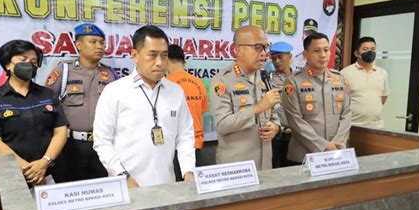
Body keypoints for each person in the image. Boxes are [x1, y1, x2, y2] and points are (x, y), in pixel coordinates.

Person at [93, 25, 195, 188]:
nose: (160, 63)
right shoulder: (115, 91)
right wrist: (123, 176)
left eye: (164, 55)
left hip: (167, 186)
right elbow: (102, 141)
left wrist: (188, 171)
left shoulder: (176, 92)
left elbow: (185, 136)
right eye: (152, 55)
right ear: (135, 55)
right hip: (126, 187)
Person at [0, 39, 68, 186]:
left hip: (50, 171)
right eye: (23, 59)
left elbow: (60, 131)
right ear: (8, 64)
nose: (29, 64)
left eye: (34, 61)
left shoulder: (48, 94)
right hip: (14, 175)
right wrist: (29, 170)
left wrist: (44, 163)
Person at [46, 23, 118, 182]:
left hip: (102, 146)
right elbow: (47, 106)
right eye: (93, 42)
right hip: (70, 146)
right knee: (70, 192)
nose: (99, 46)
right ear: (78, 44)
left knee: (103, 191)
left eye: (102, 43)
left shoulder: (110, 74)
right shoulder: (63, 71)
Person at [210, 25, 280, 170]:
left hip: (265, 166)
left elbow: (274, 115)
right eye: (257, 47)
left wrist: (276, 127)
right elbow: (222, 124)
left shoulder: (265, 78)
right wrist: (258, 108)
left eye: (266, 48)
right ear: (238, 50)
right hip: (236, 169)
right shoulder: (223, 80)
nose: (264, 54)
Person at [281, 32, 351, 164]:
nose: (323, 55)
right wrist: (323, 145)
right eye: (317, 51)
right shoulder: (293, 81)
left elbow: (346, 114)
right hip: (303, 156)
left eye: (326, 50)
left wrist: (337, 143)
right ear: (306, 54)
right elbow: (295, 120)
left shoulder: (339, 79)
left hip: (336, 153)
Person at [166, 44, 208, 180]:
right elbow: (202, 112)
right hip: (197, 145)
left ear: (166, 60)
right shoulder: (199, 83)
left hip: (174, 148)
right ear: (184, 61)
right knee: (196, 190)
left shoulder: (165, 84)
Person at [341, 36, 389, 128]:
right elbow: (339, 101)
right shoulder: (345, 73)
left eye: (373, 49)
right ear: (356, 53)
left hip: (377, 126)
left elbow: (383, 98)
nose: (370, 52)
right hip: (352, 125)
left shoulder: (382, 73)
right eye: (365, 49)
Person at [269, 41, 293, 168]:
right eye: (273, 58)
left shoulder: (300, 77)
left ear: (290, 56)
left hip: (297, 134)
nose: (277, 61)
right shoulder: (268, 79)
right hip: (278, 134)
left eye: (280, 57)